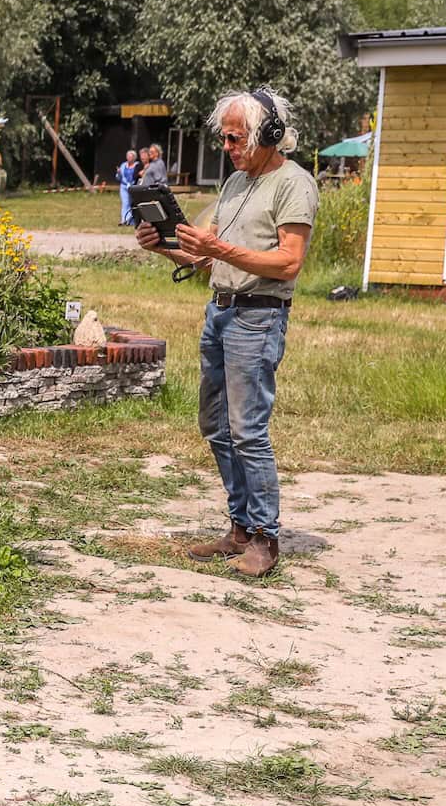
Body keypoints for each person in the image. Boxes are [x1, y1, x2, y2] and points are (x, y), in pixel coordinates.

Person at [135, 88, 316, 578]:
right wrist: (163, 246)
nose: (228, 146)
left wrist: (220, 248)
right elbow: (200, 255)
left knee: (248, 430)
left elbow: (288, 261)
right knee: (215, 425)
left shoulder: (293, 184)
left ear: (268, 134)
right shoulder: (235, 184)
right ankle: (239, 527)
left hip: (258, 316)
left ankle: (265, 537)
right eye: (225, 137)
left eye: (236, 138)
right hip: (219, 312)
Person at [117, 149, 139, 225]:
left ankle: (129, 220)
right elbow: (118, 178)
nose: (129, 158)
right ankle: (124, 220)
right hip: (123, 187)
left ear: (134, 158)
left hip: (133, 187)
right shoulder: (123, 165)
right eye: (128, 156)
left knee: (131, 203)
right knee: (125, 203)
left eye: (131, 157)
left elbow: (137, 176)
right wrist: (119, 173)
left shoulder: (137, 165)